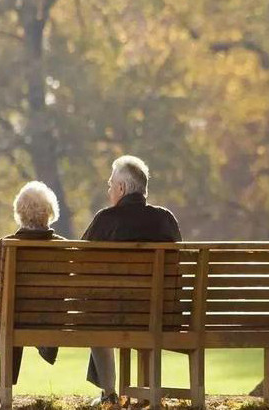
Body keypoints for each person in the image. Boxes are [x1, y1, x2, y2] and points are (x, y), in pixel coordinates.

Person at [82, 155, 182, 406]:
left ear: (122, 188)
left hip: (111, 316)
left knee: (96, 311)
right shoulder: (165, 219)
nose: (108, 190)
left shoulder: (106, 220)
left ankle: (109, 393)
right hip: (161, 314)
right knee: (133, 308)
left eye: (110, 185)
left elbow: (80, 262)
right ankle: (145, 390)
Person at [0, 181, 64, 385]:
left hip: (13, 317)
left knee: (9, 312)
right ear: (50, 212)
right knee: (18, 310)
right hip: (50, 319)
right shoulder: (63, 247)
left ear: (19, 212)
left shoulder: (7, 245)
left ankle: (4, 386)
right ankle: (44, 342)